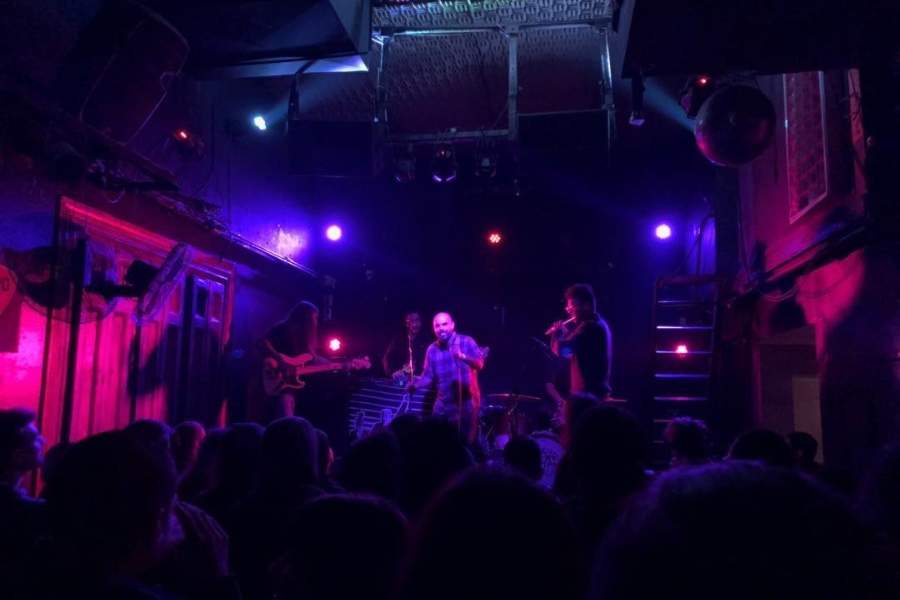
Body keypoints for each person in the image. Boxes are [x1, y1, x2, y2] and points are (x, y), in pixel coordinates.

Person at [408, 312, 486, 442]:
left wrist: (462, 356)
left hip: (465, 406)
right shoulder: (432, 349)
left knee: (464, 444)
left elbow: (480, 364)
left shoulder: (466, 341)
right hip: (443, 406)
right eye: (437, 326)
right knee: (436, 442)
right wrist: (415, 385)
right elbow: (428, 376)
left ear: (452, 325)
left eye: (444, 324)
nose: (441, 328)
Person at [258, 301, 327, 421]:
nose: (316, 322)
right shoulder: (282, 328)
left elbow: (311, 358)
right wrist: (279, 359)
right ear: (306, 317)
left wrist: (337, 365)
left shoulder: (305, 337)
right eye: (315, 318)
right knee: (285, 418)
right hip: (279, 383)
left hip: (292, 386)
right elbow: (262, 343)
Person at [547, 284, 612, 401]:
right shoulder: (598, 323)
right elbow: (574, 352)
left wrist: (557, 335)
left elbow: (563, 351)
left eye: (572, 306)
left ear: (586, 305)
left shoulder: (589, 326)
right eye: (568, 307)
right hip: (593, 394)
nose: (568, 310)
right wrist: (564, 336)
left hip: (587, 397)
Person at [382, 311, 430, 382]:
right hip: (400, 381)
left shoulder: (427, 340)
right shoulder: (398, 339)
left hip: (419, 381)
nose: (415, 324)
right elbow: (387, 358)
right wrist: (392, 373)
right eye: (411, 321)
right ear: (406, 323)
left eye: (417, 320)